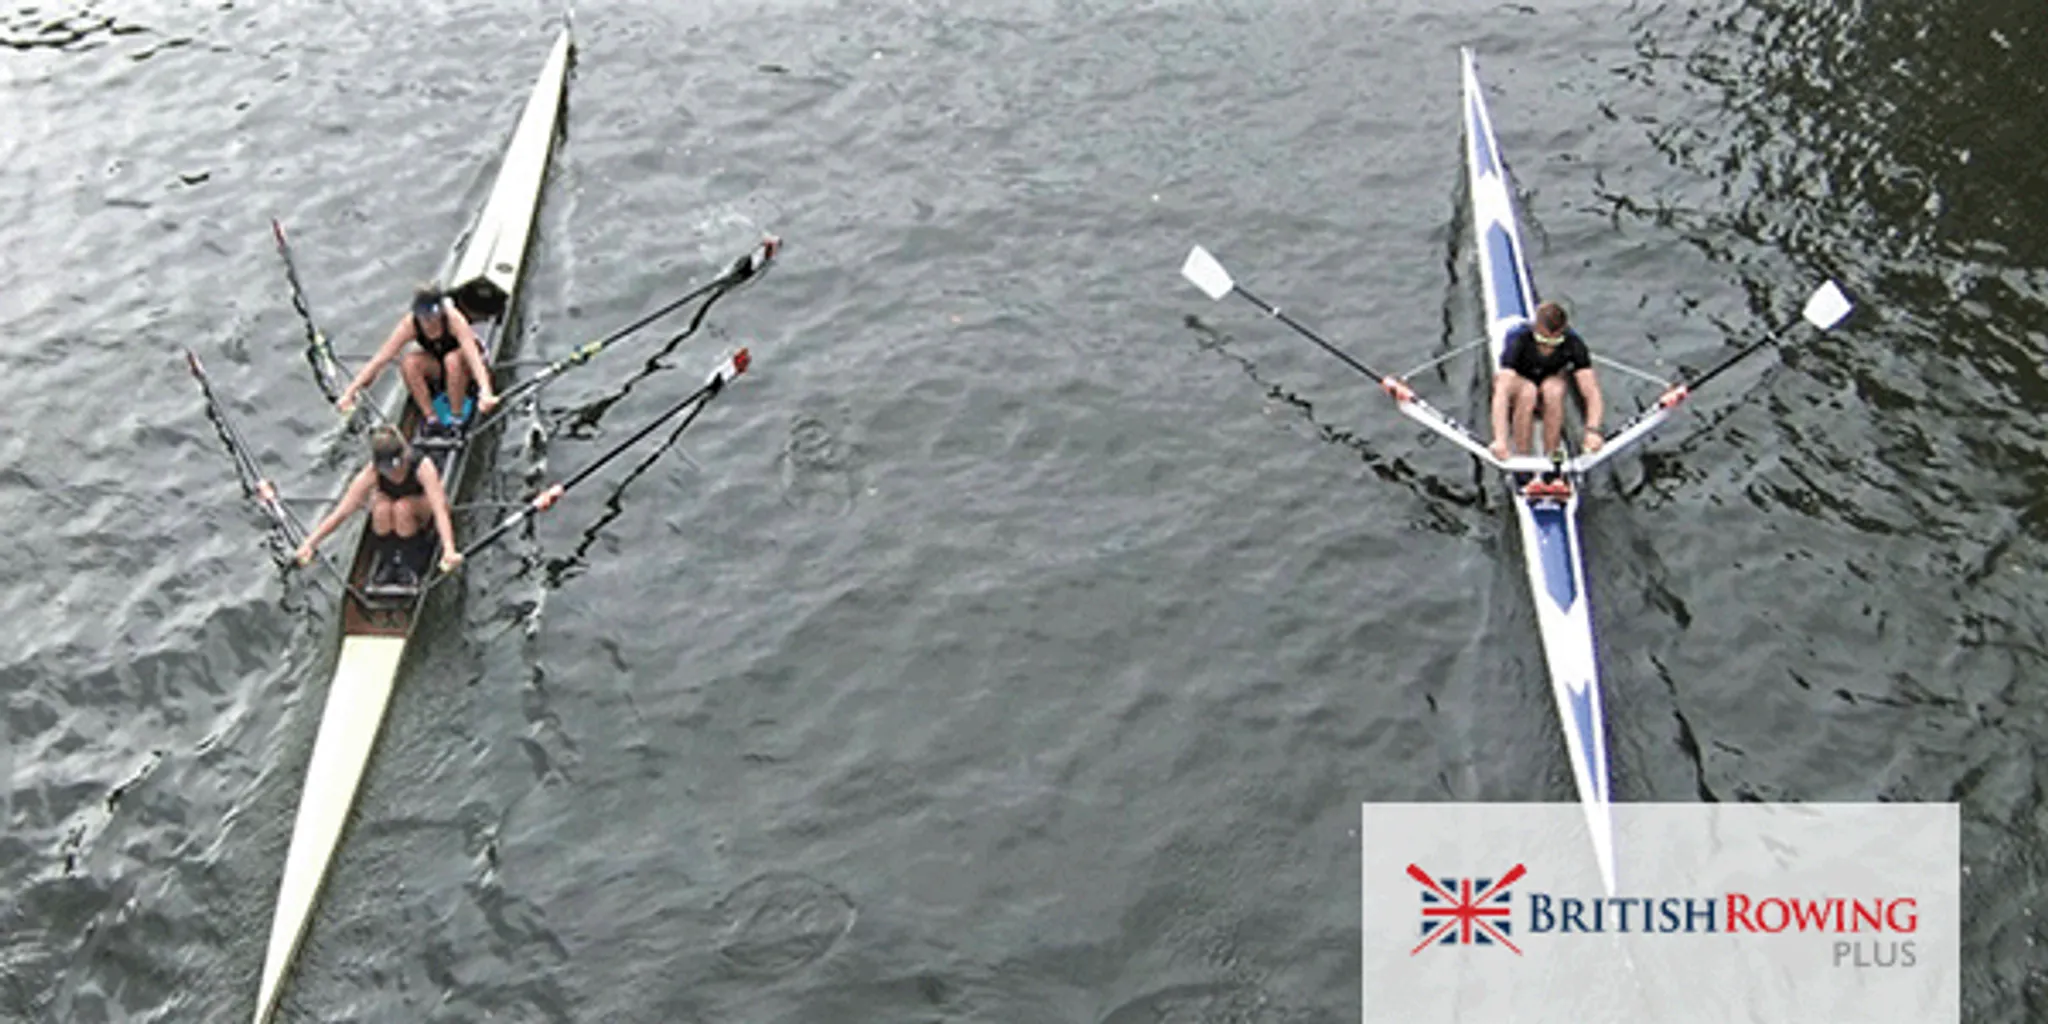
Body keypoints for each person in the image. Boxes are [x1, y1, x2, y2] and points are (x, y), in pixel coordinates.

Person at [295, 426, 464, 581]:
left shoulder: (422, 465)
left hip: (421, 512)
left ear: (404, 454)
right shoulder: (371, 472)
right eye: (385, 469)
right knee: (380, 508)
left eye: (395, 466)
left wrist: (449, 549)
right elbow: (341, 513)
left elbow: (440, 510)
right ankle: (389, 560)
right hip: (392, 515)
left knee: (402, 508)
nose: (392, 474)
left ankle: (411, 563)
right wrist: (310, 543)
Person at [338, 284, 501, 428]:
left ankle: (456, 417)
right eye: (423, 316)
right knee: (409, 362)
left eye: (431, 316)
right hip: (440, 368)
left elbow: (474, 358)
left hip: (465, 367)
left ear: (441, 311)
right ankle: (431, 418)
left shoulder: (454, 319)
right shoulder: (410, 324)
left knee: (452, 360)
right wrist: (350, 392)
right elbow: (380, 359)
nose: (427, 322)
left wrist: (485, 392)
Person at [1488, 301, 1606, 462]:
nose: (1547, 347)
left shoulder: (1573, 343)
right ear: (1535, 328)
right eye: (1542, 339)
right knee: (1527, 393)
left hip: (1548, 384)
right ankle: (1523, 455)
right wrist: (1500, 440)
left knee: (1554, 390)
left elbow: (1592, 392)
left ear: (1563, 331)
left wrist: (1593, 431)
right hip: (1522, 384)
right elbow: (1502, 390)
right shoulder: (1519, 338)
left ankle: (1552, 454)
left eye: (1554, 343)